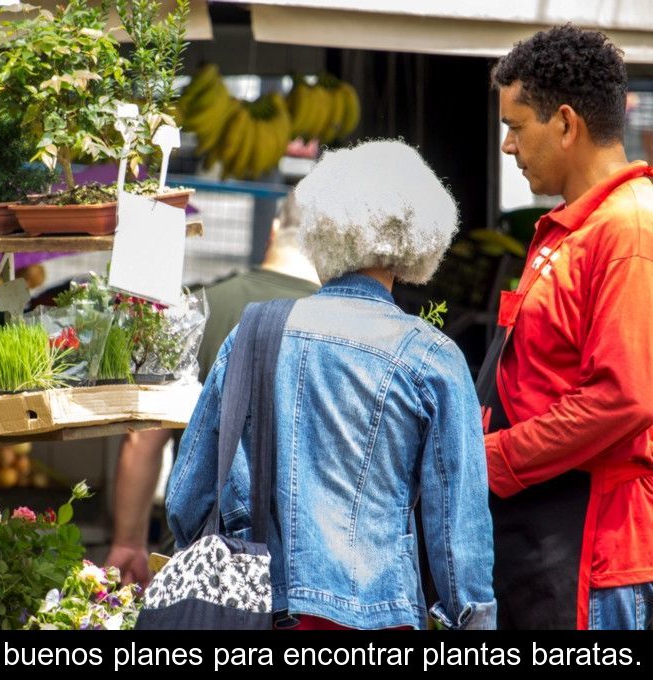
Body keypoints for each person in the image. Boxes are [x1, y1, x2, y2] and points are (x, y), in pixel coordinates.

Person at [166, 140, 496, 630]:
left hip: (260, 612)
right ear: (419, 241)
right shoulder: (432, 358)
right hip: (382, 619)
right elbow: (457, 538)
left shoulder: (252, 333)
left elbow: (185, 500)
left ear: (321, 230)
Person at [478, 24, 653, 630]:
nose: (507, 145)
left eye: (515, 125)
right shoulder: (574, 226)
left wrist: (491, 459)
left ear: (566, 124)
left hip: (596, 559)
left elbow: (623, 398)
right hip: (548, 541)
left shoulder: (629, 228)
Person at [104, 194, 320, 587]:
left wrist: (128, 541)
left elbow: (145, 441)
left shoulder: (203, 308)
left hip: (199, 563)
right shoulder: (342, 327)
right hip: (304, 575)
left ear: (273, 230)